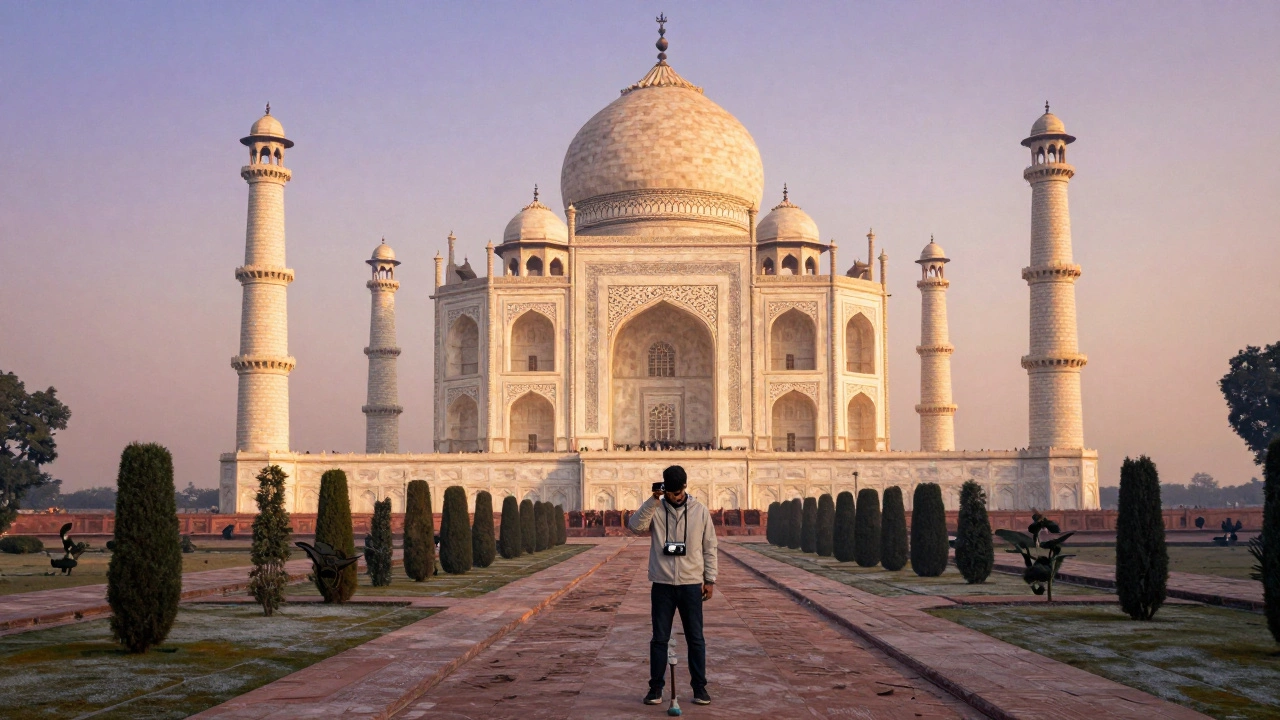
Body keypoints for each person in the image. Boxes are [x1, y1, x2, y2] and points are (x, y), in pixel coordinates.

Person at [627, 465, 718, 706]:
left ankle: (700, 688)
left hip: (690, 584)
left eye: (678, 492)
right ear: (665, 489)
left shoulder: (699, 511)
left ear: (685, 487)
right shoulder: (656, 509)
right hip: (663, 583)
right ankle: (655, 689)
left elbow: (710, 547)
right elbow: (635, 527)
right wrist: (653, 500)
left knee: (695, 639)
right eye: (671, 493)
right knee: (659, 639)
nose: (676, 497)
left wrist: (710, 580)